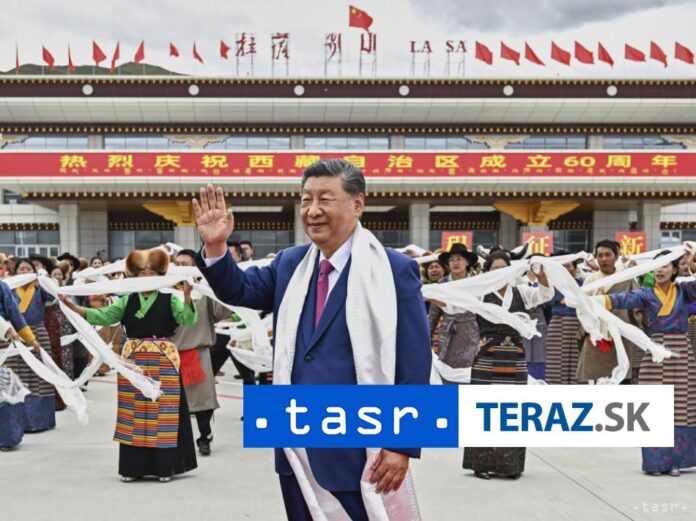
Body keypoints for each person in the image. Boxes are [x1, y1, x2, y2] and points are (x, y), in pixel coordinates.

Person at [192, 158, 431, 521]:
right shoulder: (291, 263)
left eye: (325, 199)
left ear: (358, 204)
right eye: (306, 200)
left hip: (358, 445)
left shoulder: (393, 270)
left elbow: (413, 362)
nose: (312, 210)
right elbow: (239, 289)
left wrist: (402, 444)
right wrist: (215, 248)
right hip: (296, 440)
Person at [61, 248, 198, 482]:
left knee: (163, 412)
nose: (147, 276)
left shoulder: (170, 299)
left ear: (160, 275)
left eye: (152, 272)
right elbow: (104, 316)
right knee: (133, 413)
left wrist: (187, 297)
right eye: (142, 272)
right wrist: (74, 307)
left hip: (163, 360)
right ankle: (132, 467)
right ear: (134, 276)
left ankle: (164, 467)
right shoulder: (127, 300)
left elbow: (187, 319)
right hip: (133, 362)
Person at [598, 251, 696, 476]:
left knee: (681, 406)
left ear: (674, 269)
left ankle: (675, 462)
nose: (660, 270)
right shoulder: (646, 293)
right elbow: (622, 299)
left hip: (681, 352)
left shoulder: (685, 291)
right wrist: (592, 300)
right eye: (656, 266)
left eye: (665, 266)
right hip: (655, 351)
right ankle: (655, 462)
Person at [463, 250, 554, 480]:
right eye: (494, 269)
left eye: (503, 268)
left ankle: (510, 465)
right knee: (483, 409)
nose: (499, 272)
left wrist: (542, 275)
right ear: (487, 272)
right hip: (486, 355)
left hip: (514, 355)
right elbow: (454, 304)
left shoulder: (521, 291)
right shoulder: (480, 293)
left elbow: (545, 294)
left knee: (512, 410)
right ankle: (481, 464)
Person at [171, 249, 231, 456]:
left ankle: (205, 438)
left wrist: (220, 288)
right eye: (177, 263)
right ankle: (175, 440)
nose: (180, 267)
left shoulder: (203, 292)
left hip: (198, 353)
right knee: (173, 402)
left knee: (204, 402)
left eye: (185, 263)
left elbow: (221, 312)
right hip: (171, 354)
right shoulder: (165, 290)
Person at [577, 240, 644, 384]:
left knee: (621, 380)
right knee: (595, 379)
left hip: (621, 336)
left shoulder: (626, 279)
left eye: (608, 255)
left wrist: (630, 324)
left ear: (616, 256)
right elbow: (582, 309)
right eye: (600, 255)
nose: (604, 259)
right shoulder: (590, 280)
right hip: (596, 336)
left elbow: (639, 306)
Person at [11, 258, 57, 431]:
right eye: (21, 269)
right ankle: (18, 421)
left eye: (27, 269)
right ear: (15, 272)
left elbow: (52, 297)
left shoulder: (39, 288)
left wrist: (45, 281)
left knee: (41, 375)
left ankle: (40, 421)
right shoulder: (10, 288)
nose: (24, 272)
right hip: (15, 334)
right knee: (18, 373)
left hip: (38, 332)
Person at [427, 243, 480, 381]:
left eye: (459, 259)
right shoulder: (442, 284)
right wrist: (426, 335)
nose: (455, 263)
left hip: (471, 332)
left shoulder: (477, 282)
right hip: (448, 332)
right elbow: (433, 315)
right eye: (451, 260)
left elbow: (482, 311)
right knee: (446, 370)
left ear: (467, 262)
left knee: (470, 372)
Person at [0, 280, 42, 449]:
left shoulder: (2, 287)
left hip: (3, 340)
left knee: (4, 389)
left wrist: (30, 339)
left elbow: (14, 314)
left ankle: (6, 436)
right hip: (5, 333)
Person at [545, 259, 584, 384]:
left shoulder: (583, 284)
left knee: (576, 359)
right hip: (558, 323)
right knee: (556, 360)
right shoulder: (551, 285)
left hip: (578, 324)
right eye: (562, 267)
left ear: (575, 269)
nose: (565, 269)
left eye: (568, 266)